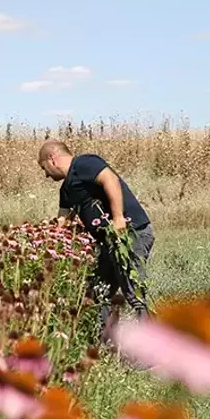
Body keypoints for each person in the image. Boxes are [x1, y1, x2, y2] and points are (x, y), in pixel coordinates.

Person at [37, 140, 155, 345]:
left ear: (52, 159)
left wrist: (118, 218)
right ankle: (107, 346)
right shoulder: (66, 189)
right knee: (98, 291)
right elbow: (62, 223)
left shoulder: (84, 163)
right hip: (109, 243)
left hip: (130, 234)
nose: (46, 174)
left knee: (133, 290)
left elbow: (110, 179)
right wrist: (40, 240)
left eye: (43, 168)